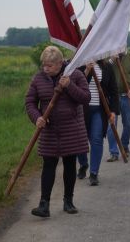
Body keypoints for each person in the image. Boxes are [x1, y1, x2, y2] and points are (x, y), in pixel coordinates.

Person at [25, 46, 90, 217]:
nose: (45, 69)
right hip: (49, 130)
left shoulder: (75, 74)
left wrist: (69, 86)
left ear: (60, 63)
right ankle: (43, 204)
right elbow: (30, 102)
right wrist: (37, 117)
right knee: (48, 165)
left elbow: (85, 98)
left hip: (71, 129)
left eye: (49, 66)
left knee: (69, 164)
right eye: (44, 65)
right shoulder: (39, 78)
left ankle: (68, 201)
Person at [77, 60, 120, 186]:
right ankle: (83, 164)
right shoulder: (79, 64)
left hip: (99, 110)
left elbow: (113, 90)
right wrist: (86, 72)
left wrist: (113, 111)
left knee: (97, 139)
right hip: (81, 110)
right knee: (80, 140)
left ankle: (94, 173)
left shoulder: (107, 67)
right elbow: (74, 85)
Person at [107, 51, 130, 162]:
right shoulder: (108, 58)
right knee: (111, 125)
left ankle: (124, 145)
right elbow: (101, 71)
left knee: (128, 124)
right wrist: (111, 60)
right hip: (111, 97)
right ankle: (113, 152)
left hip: (126, 97)